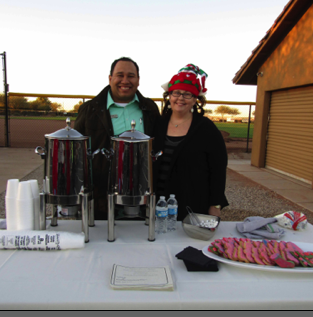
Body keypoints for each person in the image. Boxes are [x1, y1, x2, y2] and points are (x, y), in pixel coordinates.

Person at [74, 57, 161, 220]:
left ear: (138, 80)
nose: (125, 81)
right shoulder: (90, 109)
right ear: (110, 78)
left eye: (131, 76)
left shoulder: (149, 108)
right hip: (100, 198)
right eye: (120, 75)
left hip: (141, 197)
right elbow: (77, 154)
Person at [153, 64, 228, 220]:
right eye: (176, 93)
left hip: (193, 202)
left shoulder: (206, 129)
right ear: (169, 96)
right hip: (158, 203)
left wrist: (215, 205)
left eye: (187, 94)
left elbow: (218, 170)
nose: (180, 98)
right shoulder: (157, 125)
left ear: (195, 99)